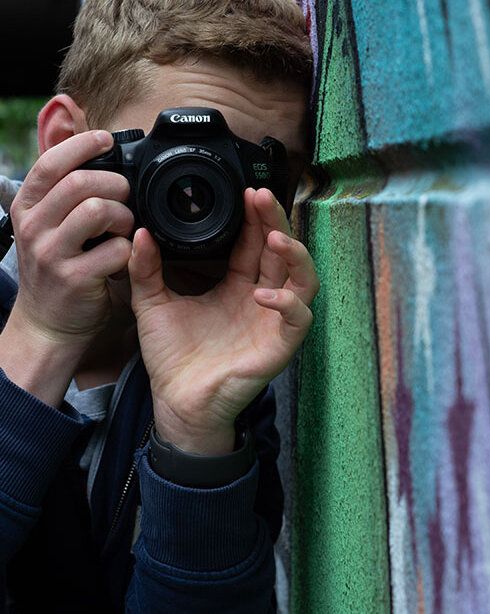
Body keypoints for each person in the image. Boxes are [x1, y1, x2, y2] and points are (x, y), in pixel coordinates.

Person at [0, 1, 318, 611]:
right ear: (66, 145)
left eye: (249, 175)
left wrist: (196, 438)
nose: (207, 207)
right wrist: (40, 334)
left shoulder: (237, 368)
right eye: (180, 164)